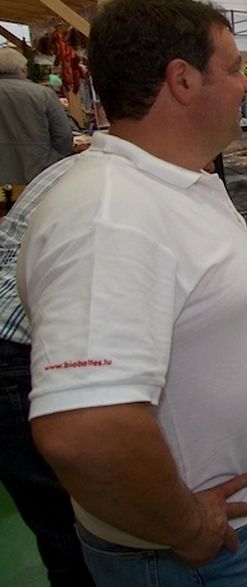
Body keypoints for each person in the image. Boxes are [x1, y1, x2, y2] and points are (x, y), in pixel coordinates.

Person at [16, 0, 247, 584]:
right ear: (182, 80)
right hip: (196, 551)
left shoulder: (181, 181)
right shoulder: (111, 216)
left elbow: (233, 271)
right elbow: (84, 431)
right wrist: (187, 527)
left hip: (240, 522)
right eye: (232, 69)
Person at [1, 155, 94, 587]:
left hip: (19, 346)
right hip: (19, 356)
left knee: (61, 528)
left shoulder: (71, 168)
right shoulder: (126, 184)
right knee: (72, 530)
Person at [0, 46, 75, 186]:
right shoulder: (43, 94)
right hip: (39, 173)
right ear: (23, 69)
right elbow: (63, 135)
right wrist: (55, 160)